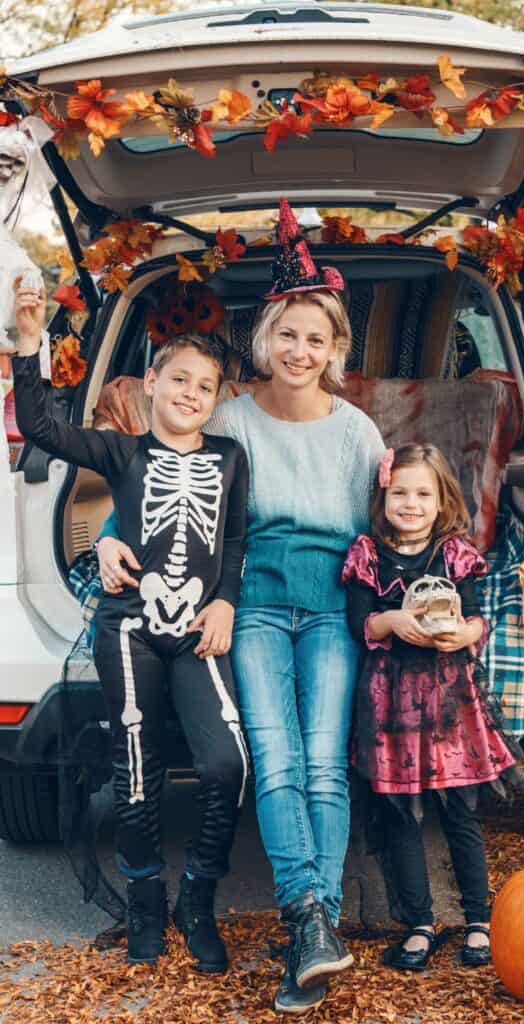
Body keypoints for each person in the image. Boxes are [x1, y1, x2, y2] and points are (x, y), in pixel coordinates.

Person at [95, 199, 385, 1013]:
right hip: (246, 604)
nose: (299, 350)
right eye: (286, 334)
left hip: (330, 607)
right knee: (275, 757)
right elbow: (159, 483)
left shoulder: (359, 433)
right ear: (265, 341)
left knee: (325, 763)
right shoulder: (226, 418)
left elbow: (379, 534)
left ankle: (313, 921)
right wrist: (109, 541)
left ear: (334, 351)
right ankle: (305, 911)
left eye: (316, 339)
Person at [12, 278, 250, 974]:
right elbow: (42, 429)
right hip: (129, 628)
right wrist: (30, 345)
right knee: (137, 771)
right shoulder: (123, 453)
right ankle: (146, 902)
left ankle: (197, 899)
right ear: (150, 381)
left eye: (205, 387)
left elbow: (233, 542)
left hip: (199, 632)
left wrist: (226, 601)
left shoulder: (230, 460)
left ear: (216, 398)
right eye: (178, 379)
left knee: (224, 763)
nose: (189, 394)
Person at [342, 443, 517, 971]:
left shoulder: (455, 553)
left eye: (423, 493)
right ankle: (418, 922)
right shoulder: (368, 553)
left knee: (459, 811)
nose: (411, 503)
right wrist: (391, 621)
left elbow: (479, 617)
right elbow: (359, 624)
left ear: (442, 501)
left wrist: (464, 632)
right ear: (383, 496)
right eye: (400, 492)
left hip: (447, 703)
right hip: (390, 702)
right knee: (400, 816)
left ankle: (478, 920)